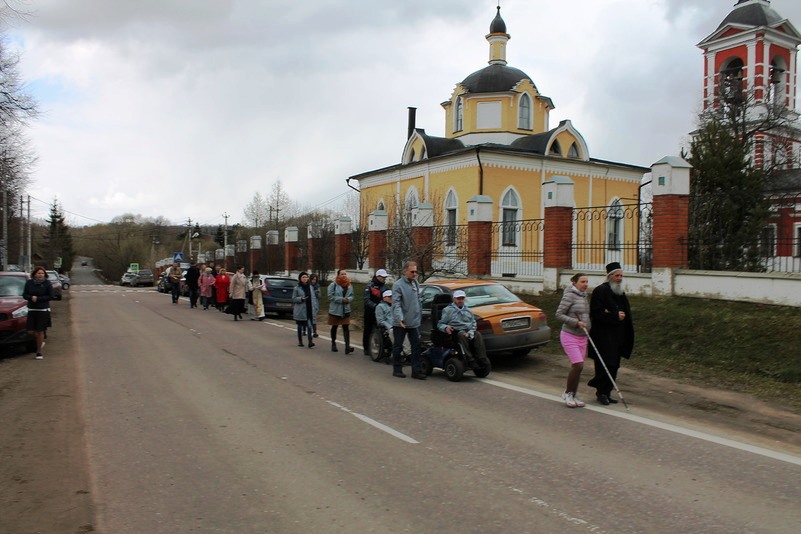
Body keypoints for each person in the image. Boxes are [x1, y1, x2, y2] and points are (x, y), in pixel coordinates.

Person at [588, 262, 634, 405]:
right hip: (603, 336)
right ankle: (601, 392)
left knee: (614, 366)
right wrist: (614, 315)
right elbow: (596, 313)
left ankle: (607, 392)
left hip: (618, 336)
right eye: (617, 275)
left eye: (621, 276)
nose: (619, 278)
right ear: (610, 276)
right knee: (604, 365)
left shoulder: (620, 291)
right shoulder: (600, 291)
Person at [555, 273, 591, 408]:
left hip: (582, 336)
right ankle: (568, 393)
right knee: (578, 365)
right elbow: (559, 314)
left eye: (587, 282)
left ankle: (573, 394)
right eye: (583, 281)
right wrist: (576, 322)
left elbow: (585, 315)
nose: (586, 284)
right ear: (575, 283)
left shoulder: (584, 296)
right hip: (569, 335)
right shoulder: (569, 295)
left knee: (579, 368)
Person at [391, 261, 425, 380]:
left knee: (416, 346)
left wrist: (419, 315)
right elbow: (396, 304)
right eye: (412, 272)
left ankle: (416, 370)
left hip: (414, 321)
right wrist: (400, 318)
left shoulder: (415, 283)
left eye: (416, 271)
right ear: (405, 272)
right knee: (398, 346)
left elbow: (417, 301)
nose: (415, 274)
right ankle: (397, 369)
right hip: (401, 322)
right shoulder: (398, 285)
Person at [437, 289, 480, 363]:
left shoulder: (468, 310)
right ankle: (469, 358)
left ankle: (481, 357)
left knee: (478, 334)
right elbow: (440, 324)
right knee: (462, 334)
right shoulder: (448, 310)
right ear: (454, 299)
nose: (460, 301)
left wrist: (470, 332)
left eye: (462, 298)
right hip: (455, 332)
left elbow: (473, 323)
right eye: (458, 299)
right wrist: (446, 327)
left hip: (467, 331)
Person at [23, 266, 55, 360]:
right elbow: (24, 294)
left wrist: (39, 299)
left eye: (42, 273)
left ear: (45, 274)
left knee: (40, 331)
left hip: (43, 310)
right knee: (30, 331)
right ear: (34, 274)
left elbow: (51, 296)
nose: (40, 275)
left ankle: (39, 352)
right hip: (32, 309)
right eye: (38, 273)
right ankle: (40, 341)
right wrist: (30, 297)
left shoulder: (47, 283)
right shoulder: (29, 283)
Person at [327, 269, 354, 353]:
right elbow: (330, 296)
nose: (344, 275)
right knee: (334, 326)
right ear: (338, 275)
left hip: (345, 310)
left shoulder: (349, 285)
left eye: (345, 274)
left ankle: (347, 346)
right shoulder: (333, 285)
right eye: (342, 274)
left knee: (346, 327)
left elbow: (352, 296)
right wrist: (341, 300)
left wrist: (348, 299)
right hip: (335, 310)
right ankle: (333, 343)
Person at [363, 268, 389, 356]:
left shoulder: (385, 287)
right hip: (370, 312)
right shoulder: (370, 286)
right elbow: (366, 300)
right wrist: (376, 306)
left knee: (380, 329)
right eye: (383, 277)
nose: (384, 279)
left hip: (381, 312)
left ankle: (379, 347)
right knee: (368, 329)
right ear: (378, 276)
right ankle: (366, 348)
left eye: (385, 277)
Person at [293, 272, 318, 348]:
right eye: (303, 277)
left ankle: (310, 341)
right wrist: (301, 299)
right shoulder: (297, 288)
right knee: (300, 326)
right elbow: (293, 299)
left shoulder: (310, 287)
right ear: (300, 278)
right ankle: (300, 341)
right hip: (301, 309)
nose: (305, 279)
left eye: (306, 277)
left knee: (309, 326)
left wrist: (315, 307)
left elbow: (313, 298)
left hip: (309, 308)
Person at [374, 289, 394, 362]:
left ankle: (408, 352)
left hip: (397, 324)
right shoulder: (380, 306)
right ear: (384, 298)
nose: (391, 298)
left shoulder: (395, 306)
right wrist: (390, 327)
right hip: (387, 326)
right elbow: (380, 321)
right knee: (393, 332)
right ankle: (398, 350)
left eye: (392, 296)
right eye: (389, 297)